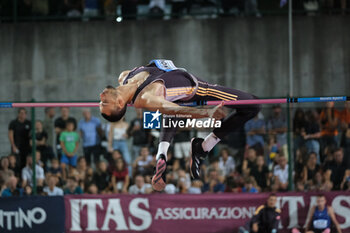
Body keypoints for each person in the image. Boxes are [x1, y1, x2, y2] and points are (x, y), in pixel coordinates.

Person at [99, 59, 260, 191]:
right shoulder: (146, 98)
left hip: (175, 92)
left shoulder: (125, 76)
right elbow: (173, 109)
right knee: (253, 105)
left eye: (101, 100)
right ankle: (204, 147)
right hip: (201, 89)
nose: (101, 96)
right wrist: (207, 113)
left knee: (171, 109)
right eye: (104, 102)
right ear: (120, 103)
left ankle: (162, 154)